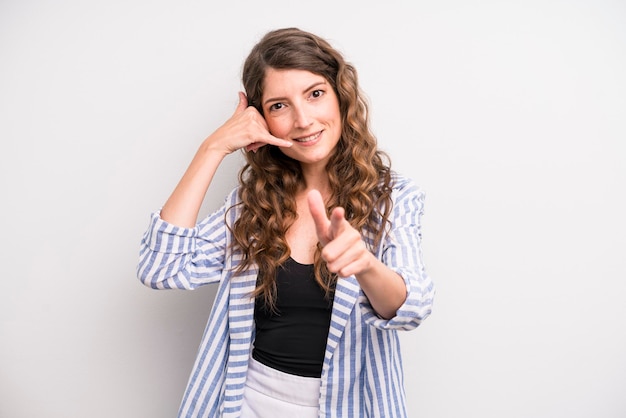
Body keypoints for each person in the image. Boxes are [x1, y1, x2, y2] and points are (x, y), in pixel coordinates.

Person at [137, 27, 435, 418]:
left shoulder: (393, 198)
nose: (302, 119)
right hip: (246, 404)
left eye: (315, 94)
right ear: (260, 118)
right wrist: (213, 148)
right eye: (279, 105)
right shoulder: (253, 205)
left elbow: (411, 307)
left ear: (340, 95)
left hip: (346, 407)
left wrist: (365, 265)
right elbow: (162, 268)